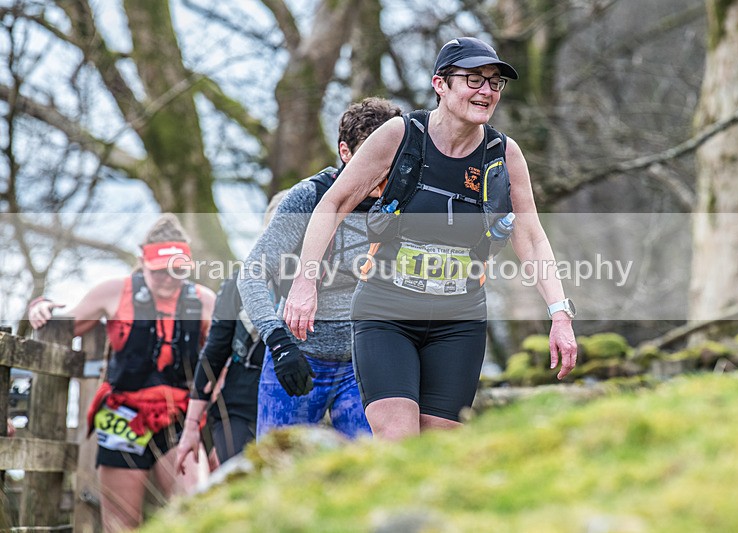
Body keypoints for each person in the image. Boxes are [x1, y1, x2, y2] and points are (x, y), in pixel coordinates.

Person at [283, 37, 578, 441]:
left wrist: (559, 313)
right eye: (474, 79)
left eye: (495, 83)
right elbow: (332, 204)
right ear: (441, 84)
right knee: (399, 438)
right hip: (387, 309)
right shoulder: (400, 136)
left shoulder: (503, 154)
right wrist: (305, 281)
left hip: (459, 319)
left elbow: (532, 236)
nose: (487, 91)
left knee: (439, 448)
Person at [27, 214, 216, 532]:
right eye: (159, 272)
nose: (169, 279)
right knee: (121, 523)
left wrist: (216, 423)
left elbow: (223, 362)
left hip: (178, 418)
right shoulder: (114, 291)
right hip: (122, 417)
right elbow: (64, 327)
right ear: (143, 261)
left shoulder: (203, 300)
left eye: (177, 271)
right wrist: (40, 306)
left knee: (196, 509)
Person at [238, 97, 402, 440]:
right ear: (345, 152)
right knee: (277, 473)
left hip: (365, 363)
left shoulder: (405, 200)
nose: (381, 170)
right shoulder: (309, 197)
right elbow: (252, 273)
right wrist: (278, 341)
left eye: (389, 158)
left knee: (372, 471)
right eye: (370, 156)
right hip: (299, 356)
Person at [175, 270, 266, 471]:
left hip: (300, 404)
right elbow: (214, 352)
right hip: (237, 409)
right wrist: (191, 427)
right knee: (242, 482)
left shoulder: (324, 279)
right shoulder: (238, 283)